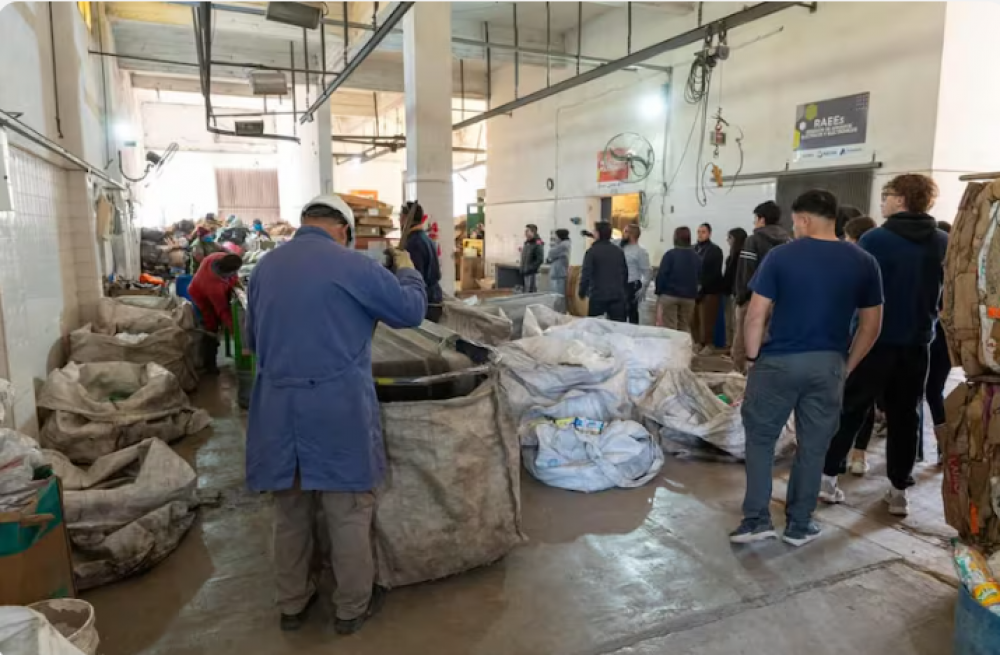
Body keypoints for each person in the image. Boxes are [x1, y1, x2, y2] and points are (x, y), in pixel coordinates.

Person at [244, 194, 426, 635]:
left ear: (306, 222)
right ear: (343, 229)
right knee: (346, 512)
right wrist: (406, 268)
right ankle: (350, 608)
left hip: (276, 410)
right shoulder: (353, 266)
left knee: (289, 514)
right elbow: (412, 311)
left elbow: (252, 341)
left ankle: (292, 604)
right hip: (336, 409)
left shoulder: (265, 269)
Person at [730, 189, 883, 547]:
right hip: (828, 363)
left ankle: (756, 520)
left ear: (803, 219)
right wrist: (846, 365)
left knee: (761, 441)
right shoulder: (863, 261)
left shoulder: (782, 257)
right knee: (813, 446)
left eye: (795, 221)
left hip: (778, 361)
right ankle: (799, 524)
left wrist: (752, 358)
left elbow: (755, 315)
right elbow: (871, 326)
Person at [822, 174, 948, 517]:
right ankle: (898, 491)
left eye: (887, 194)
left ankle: (828, 478)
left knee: (851, 408)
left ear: (902, 200)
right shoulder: (942, 241)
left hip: (873, 339)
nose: (883, 200)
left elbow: (850, 289)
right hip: (918, 343)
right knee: (906, 415)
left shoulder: (875, 239)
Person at [841, 214, 880, 476]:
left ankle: (847, 456)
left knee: (854, 401)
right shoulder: (875, 264)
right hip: (883, 342)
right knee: (865, 401)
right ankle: (858, 453)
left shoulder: (859, 264)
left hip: (859, 340)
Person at [732, 201, 791, 373]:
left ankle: (739, 381)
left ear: (761, 219)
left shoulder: (754, 240)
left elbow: (745, 272)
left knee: (743, 342)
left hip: (753, 299)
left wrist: (740, 298)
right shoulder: (788, 241)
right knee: (766, 341)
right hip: (779, 302)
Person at [923, 220, 953, 464]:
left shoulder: (929, 276)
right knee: (934, 392)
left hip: (930, 337)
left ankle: (942, 446)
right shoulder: (956, 278)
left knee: (924, 392)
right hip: (944, 339)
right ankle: (944, 447)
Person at [188, 251, 243, 374]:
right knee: (211, 326)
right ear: (226, 272)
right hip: (200, 296)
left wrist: (236, 283)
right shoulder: (214, 286)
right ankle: (210, 363)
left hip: (203, 285)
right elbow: (222, 310)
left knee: (216, 321)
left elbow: (233, 278)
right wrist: (236, 331)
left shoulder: (218, 257)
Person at [402, 201, 444, 322]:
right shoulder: (426, 239)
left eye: (400, 217)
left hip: (425, 303)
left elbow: (415, 279)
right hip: (435, 298)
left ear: (405, 218)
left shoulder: (413, 243)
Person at [655, 226, 702, 332]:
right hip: (689, 297)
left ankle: (671, 348)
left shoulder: (670, 255)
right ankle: (682, 348)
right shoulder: (697, 257)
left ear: (675, 238)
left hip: (669, 295)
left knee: (669, 328)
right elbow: (699, 278)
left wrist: (659, 292)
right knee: (684, 327)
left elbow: (662, 275)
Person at [579, 221, 628, 322]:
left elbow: (586, 274)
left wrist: (582, 292)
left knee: (596, 328)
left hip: (598, 296)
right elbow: (625, 273)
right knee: (618, 328)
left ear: (597, 233)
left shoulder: (592, 252)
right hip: (617, 296)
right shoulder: (618, 251)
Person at [693, 223, 726, 355]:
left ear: (709, 234)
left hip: (710, 290)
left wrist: (702, 286)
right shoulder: (693, 248)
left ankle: (708, 343)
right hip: (694, 289)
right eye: (699, 232)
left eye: (703, 232)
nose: (700, 234)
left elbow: (714, 272)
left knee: (707, 319)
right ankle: (697, 342)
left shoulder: (715, 250)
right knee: (694, 319)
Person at [620, 224, 652, 324]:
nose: (622, 234)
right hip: (619, 284)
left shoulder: (640, 251)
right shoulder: (621, 247)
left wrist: (644, 288)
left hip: (631, 285)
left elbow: (647, 271)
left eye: (625, 231)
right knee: (619, 313)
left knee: (632, 313)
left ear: (631, 234)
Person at [723, 228, 748, 348]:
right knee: (730, 322)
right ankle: (731, 347)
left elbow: (737, 276)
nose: (727, 241)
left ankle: (735, 349)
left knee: (735, 323)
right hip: (731, 292)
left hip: (738, 294)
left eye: (730, 238)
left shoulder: (740, 256)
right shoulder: (732, 256)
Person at [546, 229, 571, 296]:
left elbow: (551, 253)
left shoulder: (563, 246)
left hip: (559, 273)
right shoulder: (562, 245)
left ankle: (559, 306)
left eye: (556, 236)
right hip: (558, 273)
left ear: (560, 236)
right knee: (556, 295)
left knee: (558, 295)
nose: (555, 238)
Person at [520, 224, 545, 293]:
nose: (525, 233)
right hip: (526, 273)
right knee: (526, 293)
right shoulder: (527, 243)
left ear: (533, 232)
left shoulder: (538, 242)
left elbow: (540, 259)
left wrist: (530, 268)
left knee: (531, 294)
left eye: (527, 231)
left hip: (532, 273)